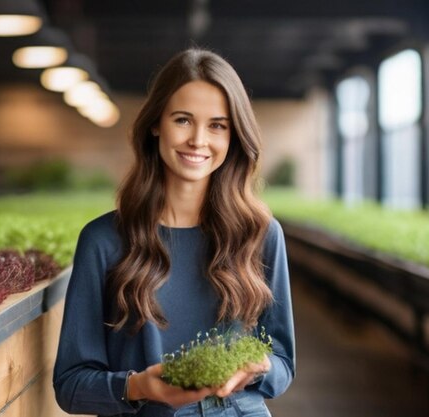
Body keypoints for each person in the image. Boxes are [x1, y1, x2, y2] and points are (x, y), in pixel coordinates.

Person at [53, 48, 295, 417]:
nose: (198, 140)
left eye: (217, 125)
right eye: (183, 120)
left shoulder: (259, 235)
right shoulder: (103, 241)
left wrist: (258, 365)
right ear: (156, 124)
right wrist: (137, 387)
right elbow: (71, 386)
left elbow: (283, 366)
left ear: (233, 137)